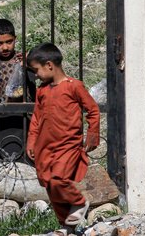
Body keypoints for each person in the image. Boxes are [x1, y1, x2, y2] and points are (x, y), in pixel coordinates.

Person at [26, 42, 100, 229]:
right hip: (45, 146)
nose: (36, 76)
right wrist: (32, 141)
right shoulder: (42, 90)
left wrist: (92, 134)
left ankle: (79, 202)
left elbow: (92, 110)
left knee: (59, 179)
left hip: (67, 145)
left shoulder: (74, 86)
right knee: (49, 184)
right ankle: (66, 226)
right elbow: (36, 117)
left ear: (49, 65)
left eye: (36, 70)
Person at [0, 19, 36, 168]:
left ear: (15, 40)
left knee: (23, 164)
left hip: (22, 120)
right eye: (0, 43)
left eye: (9, 42)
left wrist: (28, 67)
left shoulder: (24, 61)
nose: (5, 47)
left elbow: (34, 91)